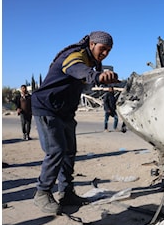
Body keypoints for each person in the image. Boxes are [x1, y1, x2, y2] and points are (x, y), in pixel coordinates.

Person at [31, 31, 119, 214]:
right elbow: (75, 68)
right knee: (56, 150)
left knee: (69, 152)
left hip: (65, 112)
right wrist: (96, 76)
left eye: (109, 51)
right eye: (103, 49)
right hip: (47, 108)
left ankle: (67, 192)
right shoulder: (75, 55)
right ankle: (42, 193)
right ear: (92, 44)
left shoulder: (93, 62)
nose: (105, 54)